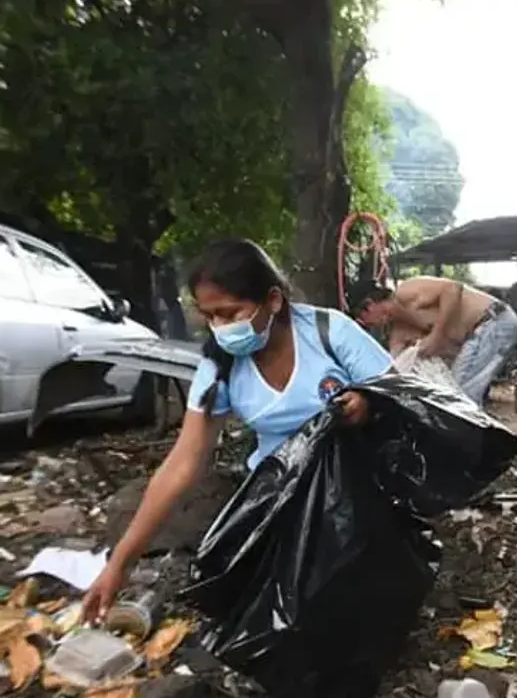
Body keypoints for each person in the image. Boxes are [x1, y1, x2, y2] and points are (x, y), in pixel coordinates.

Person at [81, 239, 393, 620]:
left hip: (356, 491)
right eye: (209, 317)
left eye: (230, 314)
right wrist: (121, 562)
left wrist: (368, 403)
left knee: (353, 599)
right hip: (281, 498)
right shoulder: (221, 367)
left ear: (273, 300)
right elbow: (183, 464)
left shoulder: (329, 334)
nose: (220, 328)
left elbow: (402, 397)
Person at [349, 276, 517, 405]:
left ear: (369, 305)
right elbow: (393, 367)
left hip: (493, 321)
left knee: (460, 398)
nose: (370, 325)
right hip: (479, 333)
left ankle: (471, 448)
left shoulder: (406, 291)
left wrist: (437, 335)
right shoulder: (399, 329)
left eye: (363, 320)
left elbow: (453, 288)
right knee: (452, 395)